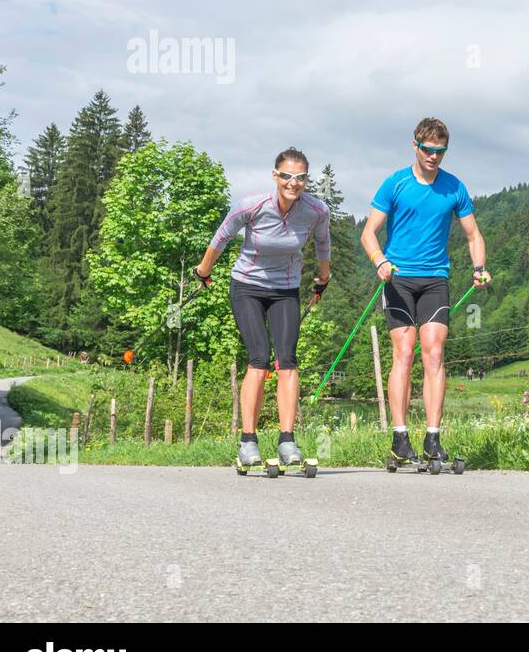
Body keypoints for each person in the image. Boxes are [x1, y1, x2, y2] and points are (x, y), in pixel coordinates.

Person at [193, 147, 331, 469]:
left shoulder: (316, 211)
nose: (292, 183)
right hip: (247, 287)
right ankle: (248, 441)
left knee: (288, 361)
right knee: (259, 359)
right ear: (275, 176)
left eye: (299, 177)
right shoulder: (252, 205)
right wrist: (203, 270)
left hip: (286, 290)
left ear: (306, 180)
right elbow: (223, 235)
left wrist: (323, 277)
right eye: (286, 176)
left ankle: (287, 441)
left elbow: (323, 244)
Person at [360, 118, 489, 465]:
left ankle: (433, 439)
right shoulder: (395, 183)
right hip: (398, 277)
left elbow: (473, 235)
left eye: (440, 151)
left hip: (435, 278)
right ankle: (400, 438)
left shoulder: (454, 187)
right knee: (404, 351)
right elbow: (369, 232)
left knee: (434, 354)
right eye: (428, 149)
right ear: (415, 145)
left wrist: (479, 267)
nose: (434, 156)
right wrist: (379, 261)